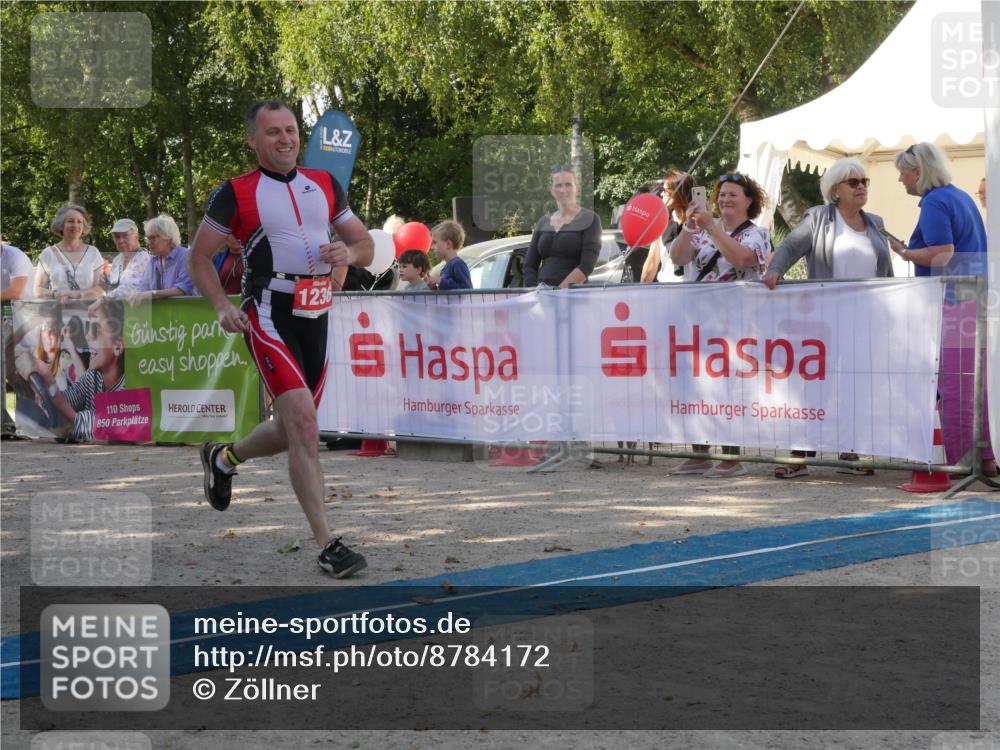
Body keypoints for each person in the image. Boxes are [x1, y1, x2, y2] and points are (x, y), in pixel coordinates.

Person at [188, 99, 374, 578]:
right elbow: (199, 257)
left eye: (290, 129)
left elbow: (366, 244)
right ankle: (328, 544)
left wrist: (348, 253)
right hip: (268, 311)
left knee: (295, 426)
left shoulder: (324, 183)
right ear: (253, 140)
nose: (285, 139)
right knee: (304, 423)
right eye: (273, 132)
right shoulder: (234, 192)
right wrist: (222, 306)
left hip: (317, 311)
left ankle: (223, 458)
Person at [762, 157, 894, 478]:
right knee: (813, 386)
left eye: (864, 182)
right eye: (854, 182)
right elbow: (790, 246)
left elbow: (886, 272)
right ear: (835, 190)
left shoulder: (875, 223)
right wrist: (775, 269)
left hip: (864, 321)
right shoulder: (819, 218)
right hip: (823, 321)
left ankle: (850, 451)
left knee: (855, 386)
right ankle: (800, 454)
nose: (861, 187)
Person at [891, 142, 995, 477]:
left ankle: (962, 462)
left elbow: (943, 253)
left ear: (918, 172)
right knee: (975, 385)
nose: (901, 180)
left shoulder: (935, 201)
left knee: (954, 387)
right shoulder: (961, 197)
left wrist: (905, 253)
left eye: (903, 173)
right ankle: (985, 458)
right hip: (974, 298)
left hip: (953, 301)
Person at [669, 172, 772, 478]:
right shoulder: (701, 230)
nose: (725, 199)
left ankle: (730, 456)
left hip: (736, 322)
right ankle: (699, 453)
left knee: (730, 388)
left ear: (748, 200)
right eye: (722, 194)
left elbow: (743, 260)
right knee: (695, 385)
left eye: (733, 194)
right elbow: (678, 258)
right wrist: (689, 227)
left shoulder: (757, 233)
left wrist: (712, 229)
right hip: (699, 320)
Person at [16, 298, 125, 442]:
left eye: (96, 329)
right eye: (88, 327)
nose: (88, 336)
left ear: (118, 347)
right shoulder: (93, 376)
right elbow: (65, 401)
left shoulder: (127, 389)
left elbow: (80, 423)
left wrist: (48, 379)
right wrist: (40, 385)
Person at [524, 165, 601, 289]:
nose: (563, 190)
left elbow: (587, 266)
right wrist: (534, 291)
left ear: (577, 188)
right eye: (558, 185)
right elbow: (529, 265)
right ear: (551, 190)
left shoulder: (590, 219)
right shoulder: (543, 222)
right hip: (542, 295)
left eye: (568, 184)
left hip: (574, 295)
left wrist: (558, 292)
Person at [34, 204, 106, 302]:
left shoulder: (93, 253)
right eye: (70, 221)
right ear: (61, 224)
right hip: (58, 310)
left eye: (79, 222)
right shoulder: (48, 254)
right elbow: (37, 290)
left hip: (88, 310)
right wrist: (55, 295)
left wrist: (79, 295)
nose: (75, 225)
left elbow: (100, 289)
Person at [640, 169, 697, 283]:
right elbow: (652, 261)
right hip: (666, 287)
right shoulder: (662, 221)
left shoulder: (700, 222)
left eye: (665, 191)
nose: (661, 194)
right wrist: (641, 289)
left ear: (679, 193)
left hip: (694, 288)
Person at [127, 214, 195, 306]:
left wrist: (152, 294)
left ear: (168, 238)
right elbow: (142, 288)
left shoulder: (186, 256)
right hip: (165, 314)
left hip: (189, 312)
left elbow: (182, 289)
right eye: (147, 238)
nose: (148, 242)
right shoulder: (153, 261)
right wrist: (135, 294)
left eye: (152, 238)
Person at [2, 240, 33, 437]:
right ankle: (8, 423)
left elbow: (15, 292)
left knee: (20, 371)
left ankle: (32, 419)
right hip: (6, 315)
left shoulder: (14, 256)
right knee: (10, 371)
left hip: (25, 315)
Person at [104, 218, 151, 299]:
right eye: (117, 237)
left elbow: (128, 289)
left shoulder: (143, 259)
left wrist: (103, 299)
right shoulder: (117, 260)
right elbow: (112, 287)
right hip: (116, 306)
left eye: (125, 236)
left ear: (136, 237)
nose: (121, 241)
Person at [430, 220, 472, 290]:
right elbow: (447, 291)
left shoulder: (458, 264)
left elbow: (467, 289)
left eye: (435, 242)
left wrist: (441, 281)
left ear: (448, 244)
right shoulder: (447, 266)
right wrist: (433, 287)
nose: (431, 247)